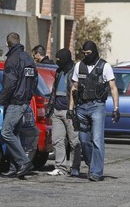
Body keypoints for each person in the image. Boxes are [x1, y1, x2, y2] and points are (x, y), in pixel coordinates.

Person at [68, 40, 120, 182]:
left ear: (94, 51)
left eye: (89, 53)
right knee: (83, 140)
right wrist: (70, 108)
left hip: (97, 106)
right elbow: (74, 88)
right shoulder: (79, 66)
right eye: (84, 53)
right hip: (81, 107)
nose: (86, 55)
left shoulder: (105, 66)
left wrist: (116, 108)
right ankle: (92, 164)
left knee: (97, 140)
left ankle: (96, 172)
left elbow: (113, 87)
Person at [0, 32, 38, 178]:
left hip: (15, 102)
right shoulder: (28, 58)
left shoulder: (12, 59)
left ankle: (24, 162)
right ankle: (14, 168)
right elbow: (35, 81)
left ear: (8, 44)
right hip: (25, 102)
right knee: (15, 134)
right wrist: (28, 96)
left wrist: (0, 101)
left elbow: (9, 84)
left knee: (6, 132)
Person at [45, 48, 82, 177]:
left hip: (70, 111)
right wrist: (50, 107)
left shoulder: (75, 72)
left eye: (59, 60)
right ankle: (60, 167)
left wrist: (74, 109)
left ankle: (75, 167)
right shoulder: (58, 72)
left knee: (74, 141)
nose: (57, 62)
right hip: (57, 110)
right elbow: (54, 90)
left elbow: (76, 91)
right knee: (57, 140)